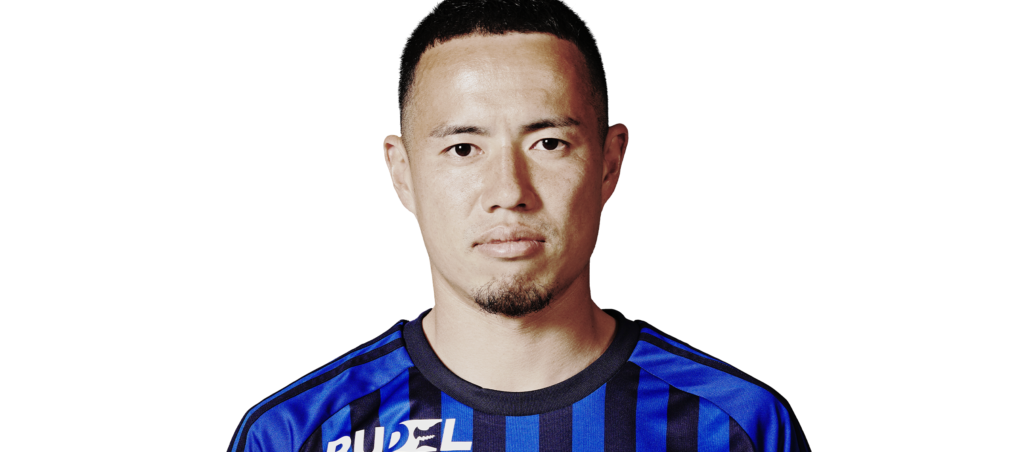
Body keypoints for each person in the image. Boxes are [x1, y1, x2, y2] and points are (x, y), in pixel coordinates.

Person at [228, 1, 811, 451]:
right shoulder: (294, 435)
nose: (509, 192)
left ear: (610, 163)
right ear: (401, 173)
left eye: (549, 143)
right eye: (463, 149)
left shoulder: (738, 426)